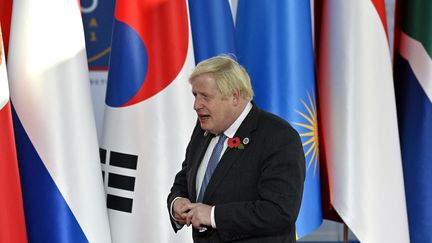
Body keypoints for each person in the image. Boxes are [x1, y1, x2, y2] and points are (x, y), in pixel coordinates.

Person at [167, 55, 305, 243]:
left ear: (235, 96)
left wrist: (214, 215)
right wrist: (177, 202)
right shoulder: (203, 128)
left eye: (205, 96)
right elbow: (185, 177)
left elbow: (279, 211)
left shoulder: (279, 137)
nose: (196, 105)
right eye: (195, 95)